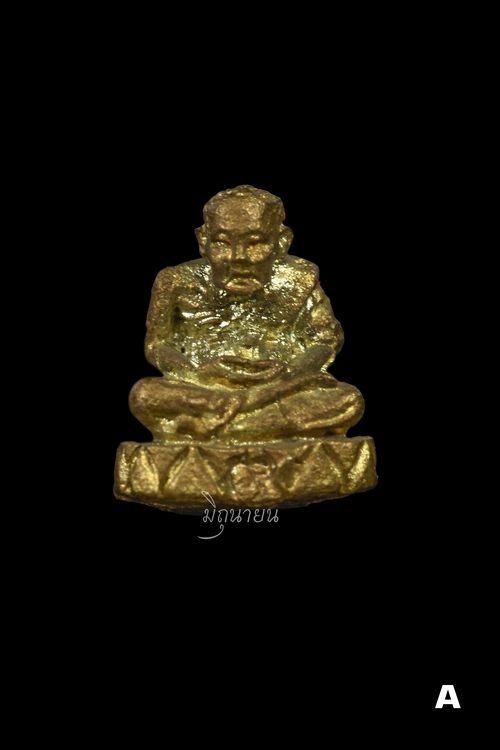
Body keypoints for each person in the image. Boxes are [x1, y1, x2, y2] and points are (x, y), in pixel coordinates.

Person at [129, 185, 364, 442]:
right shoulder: (174, 281)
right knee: (145, 394)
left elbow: (325, 341)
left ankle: (214, 426)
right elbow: (157, 344)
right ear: (203, 241)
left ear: (282, 242)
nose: (238, 257)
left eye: (255, 243)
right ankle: (253, 422)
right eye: (222, 243)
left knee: (348, 399)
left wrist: (291, 372)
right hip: (204, 391)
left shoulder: (300, 279)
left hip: (282, 388)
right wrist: (197, 373)